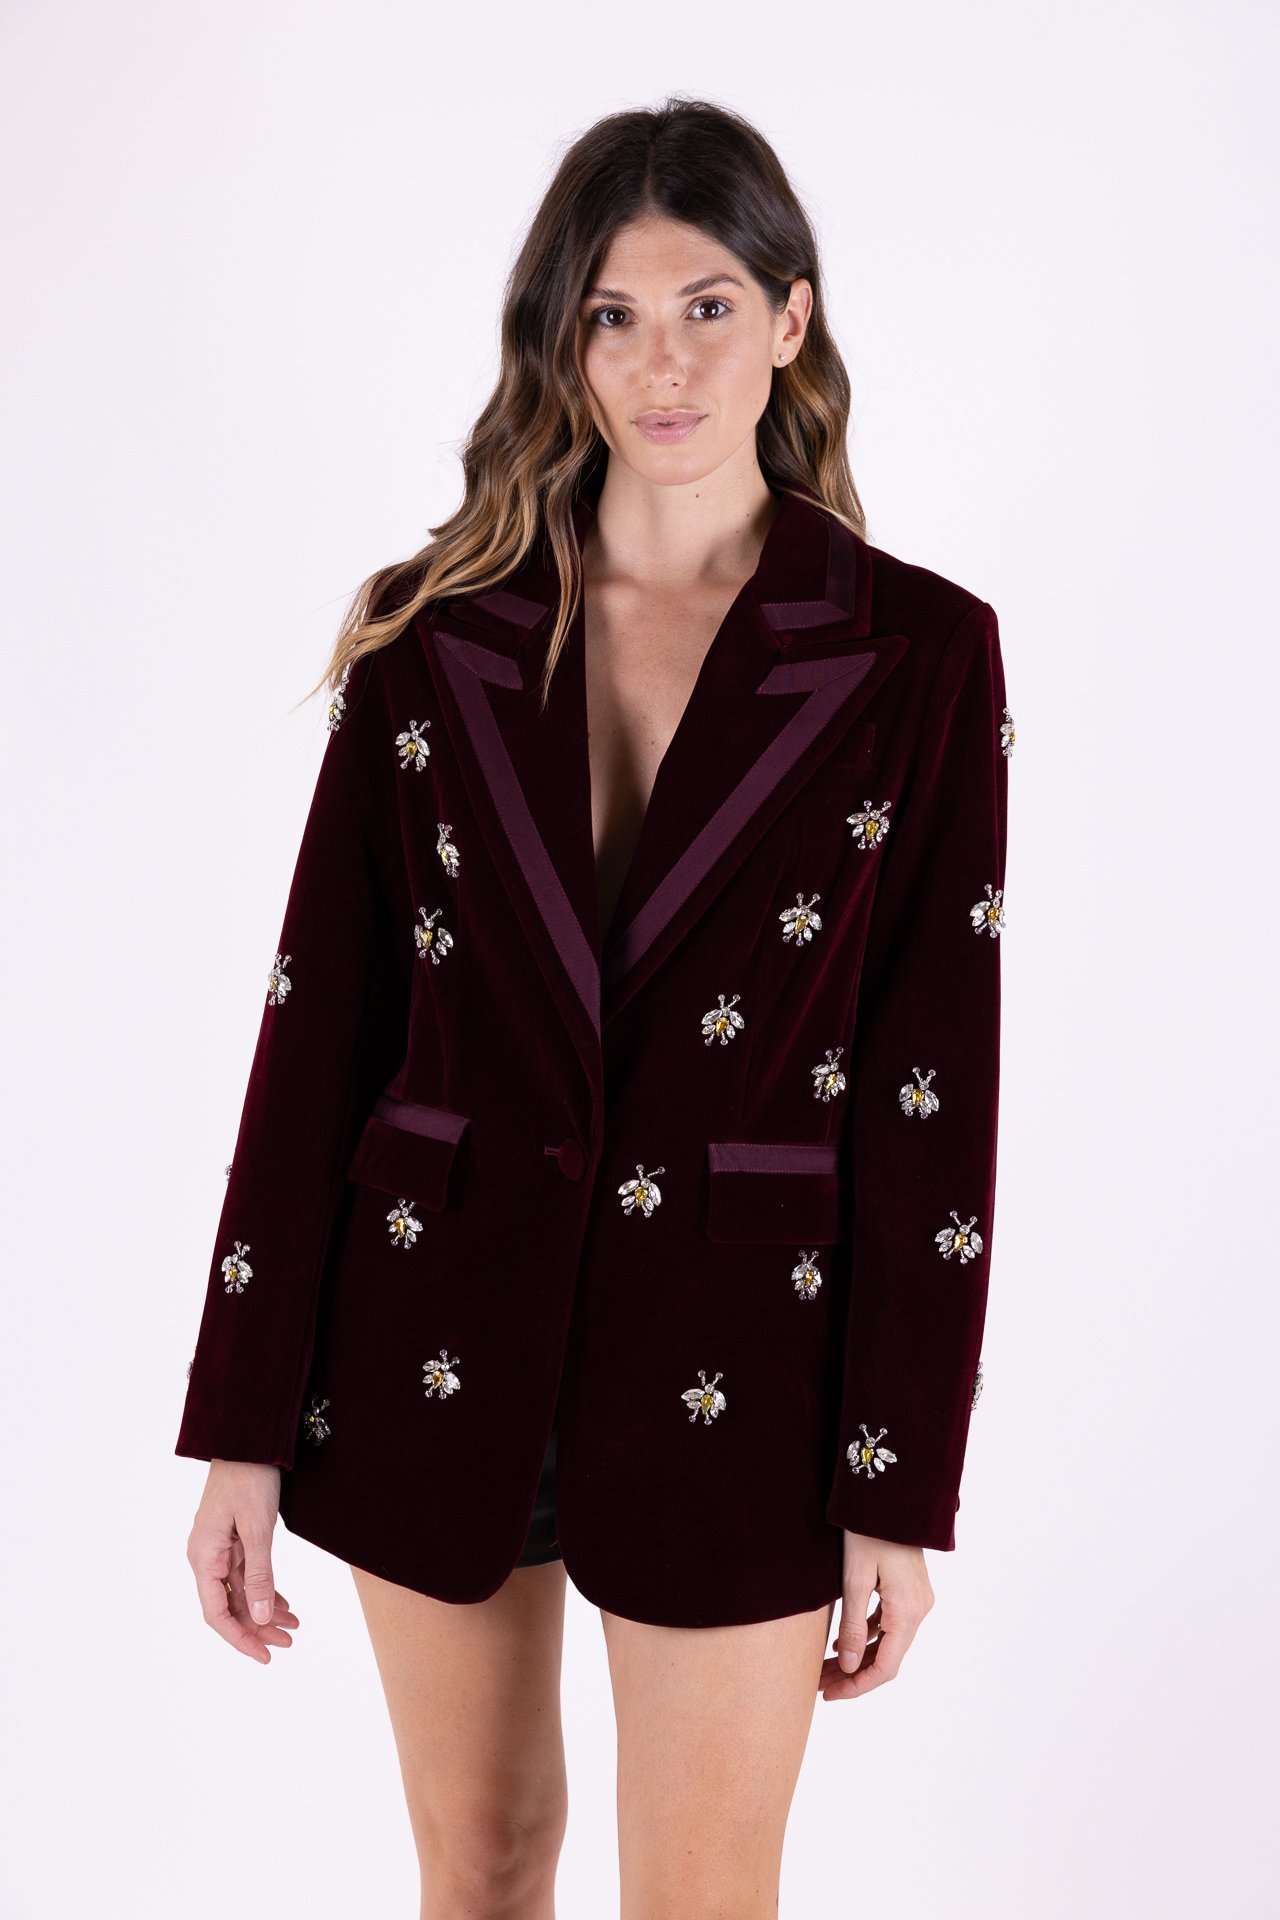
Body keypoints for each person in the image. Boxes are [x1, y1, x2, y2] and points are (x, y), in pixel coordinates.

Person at [178, 95, 1012, 1919]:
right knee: (479, 1862)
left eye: (709, 307)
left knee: (701, 1891)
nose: (663, 363)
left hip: (743, 1353)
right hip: (432, 1320)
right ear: (562, 338)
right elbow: (319, 1029)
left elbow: (931, 1088)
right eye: (614, 316)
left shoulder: (921, 652)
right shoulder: (432, 630)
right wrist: (240, 1421)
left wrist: (898, 1481)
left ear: (791, 318)